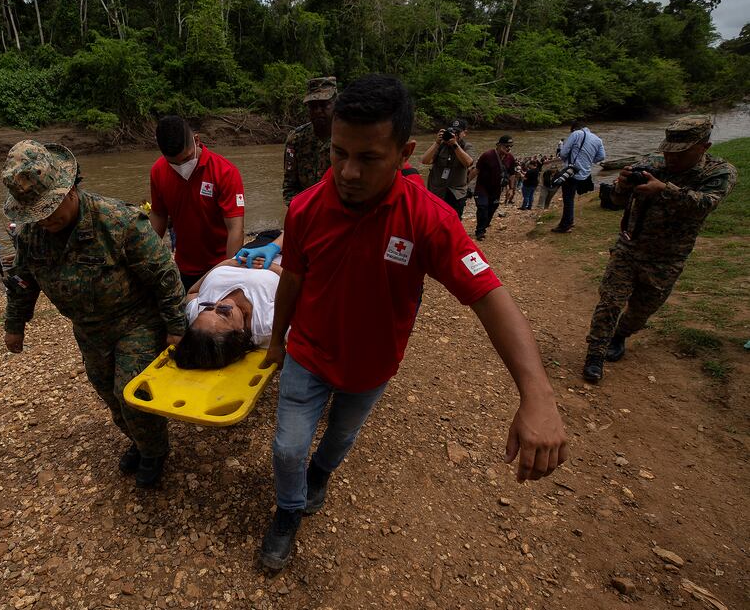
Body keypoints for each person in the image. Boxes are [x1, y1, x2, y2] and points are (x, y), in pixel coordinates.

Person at [257, 75, 569, 571]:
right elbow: (291, 281)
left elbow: (491, 297)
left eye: (368, 158)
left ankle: (321, 475)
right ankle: (288, 511)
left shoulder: (429, 219)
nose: (348, 173)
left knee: (337, 441)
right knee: (286, 450)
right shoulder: (306, 209)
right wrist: (277, 342)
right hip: (308, 353)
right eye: (339, 153)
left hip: (373, 364)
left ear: (405, 152)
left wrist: (537, 394)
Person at [2, 140, 188, 488]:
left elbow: (164, 274)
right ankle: (138, 441)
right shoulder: (32, 236)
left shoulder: (118, 222)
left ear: (71, 188)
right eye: (37, 213)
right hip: (88, 330)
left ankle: (155, 451)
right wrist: (15, 326)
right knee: (107, 393)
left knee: (130, 392)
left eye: (51, 208)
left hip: (136, 322)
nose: (46, 219)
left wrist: (177, 326)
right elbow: (23, 281)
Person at [582, 116, 736, 382]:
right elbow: (617, 202)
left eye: (680, 153)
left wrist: (663, 189)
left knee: (641, 311)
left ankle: (620, 335)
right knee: (610, 302)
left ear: (704, 147)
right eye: (667, 151)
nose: (671, 158)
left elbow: (704, 205)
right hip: (629, 248)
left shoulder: (718, 173)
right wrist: (621, 187)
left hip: (668, 258)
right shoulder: (650, 164)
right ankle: (595, 353)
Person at [149, 116, 246, 290]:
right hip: (183, 266)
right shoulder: (158, 171)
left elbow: (235, 228)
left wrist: (228, 274)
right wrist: (148, 254)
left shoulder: (224, 172)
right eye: (174, 163)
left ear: (196, 140)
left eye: (186, 159)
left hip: (219, 265)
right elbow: (158, 214)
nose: (181, 166)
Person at [173, 238, 283, 369]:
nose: (219, 302)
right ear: (239, 335)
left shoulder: (200, 320)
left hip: (251, 249)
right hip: (285, 255)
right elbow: (303, 294)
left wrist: (225, 264)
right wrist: (273, 267)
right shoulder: (268, 325)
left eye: (209, 306)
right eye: (223, 313)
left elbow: (191, 293)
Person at [282, 77, 336, 205]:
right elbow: (289, 187)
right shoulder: (296, 139)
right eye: (313, 106)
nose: (318, 111)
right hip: (306, 211)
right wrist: (303, 211)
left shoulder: (350, 137)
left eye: (323, 105)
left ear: (336, 104)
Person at [551, 120, 605, 233]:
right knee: (571, 198)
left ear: (574, 129)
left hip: (571, 172)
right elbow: (601, 157)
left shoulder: (576, 134)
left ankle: (566, 225)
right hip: (585, 173)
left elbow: (563, 153)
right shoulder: (597, 139)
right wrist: (588, 161)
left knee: (568, 199)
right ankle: (569, 221)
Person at [419, 118, 476, 219]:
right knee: (434, 220)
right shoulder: (441, 145)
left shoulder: (466, 146)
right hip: (437, 192)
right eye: (452, 131)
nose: (454, 134)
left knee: (454, 222)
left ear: (464, 133)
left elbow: (468, 162)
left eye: (457, 132)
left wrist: (455, 145)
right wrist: (436, 143)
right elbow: (425, 160)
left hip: (456, 193)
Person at [472, 135, 517, 241]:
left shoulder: (510, 158)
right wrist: (465, 183)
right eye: (506, 146)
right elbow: (477, 170)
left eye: (510, 146)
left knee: (492, 209)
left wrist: (511, 189)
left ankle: (484, 225)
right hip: (482, 187)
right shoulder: (487, 155)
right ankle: (480, 231)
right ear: (499, 145)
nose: (508, 148)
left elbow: (512, 174)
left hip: (496, 189)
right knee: (482, 207)